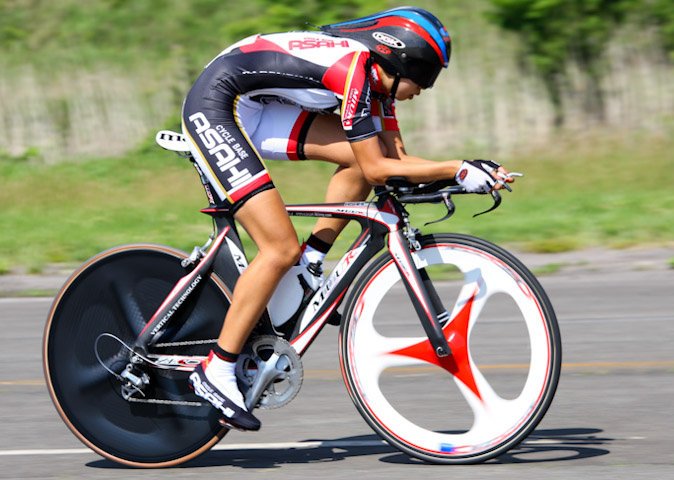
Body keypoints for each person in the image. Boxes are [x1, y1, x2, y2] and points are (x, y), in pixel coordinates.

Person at [183, 6, 514, 431]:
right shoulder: (354, 70)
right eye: (426, 75)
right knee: (278, 246)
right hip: (216, 106)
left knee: (362, 161)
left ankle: (311, 263)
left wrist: (464, 175)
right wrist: (457, 168)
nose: (426, 88)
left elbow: (392, 162)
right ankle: (216, 369)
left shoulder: (379, 86)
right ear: (398, 59)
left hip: (258, 104)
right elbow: (383, 171)